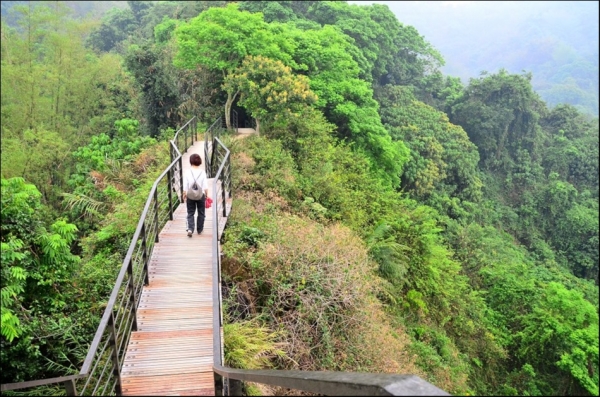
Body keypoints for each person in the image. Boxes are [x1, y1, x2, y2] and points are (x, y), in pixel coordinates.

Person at [182, 153, 209, 237]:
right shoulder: (202, 172)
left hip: (190, 195)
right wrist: (207, 195)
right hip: (201, 195)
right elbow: (205, 185)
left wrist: (184, 194)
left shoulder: (187, 172)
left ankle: (190, 229)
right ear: (199, 161)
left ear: (191, 161)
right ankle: (199, 229)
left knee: (190, 212)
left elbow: (185, 184)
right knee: (201, 213)